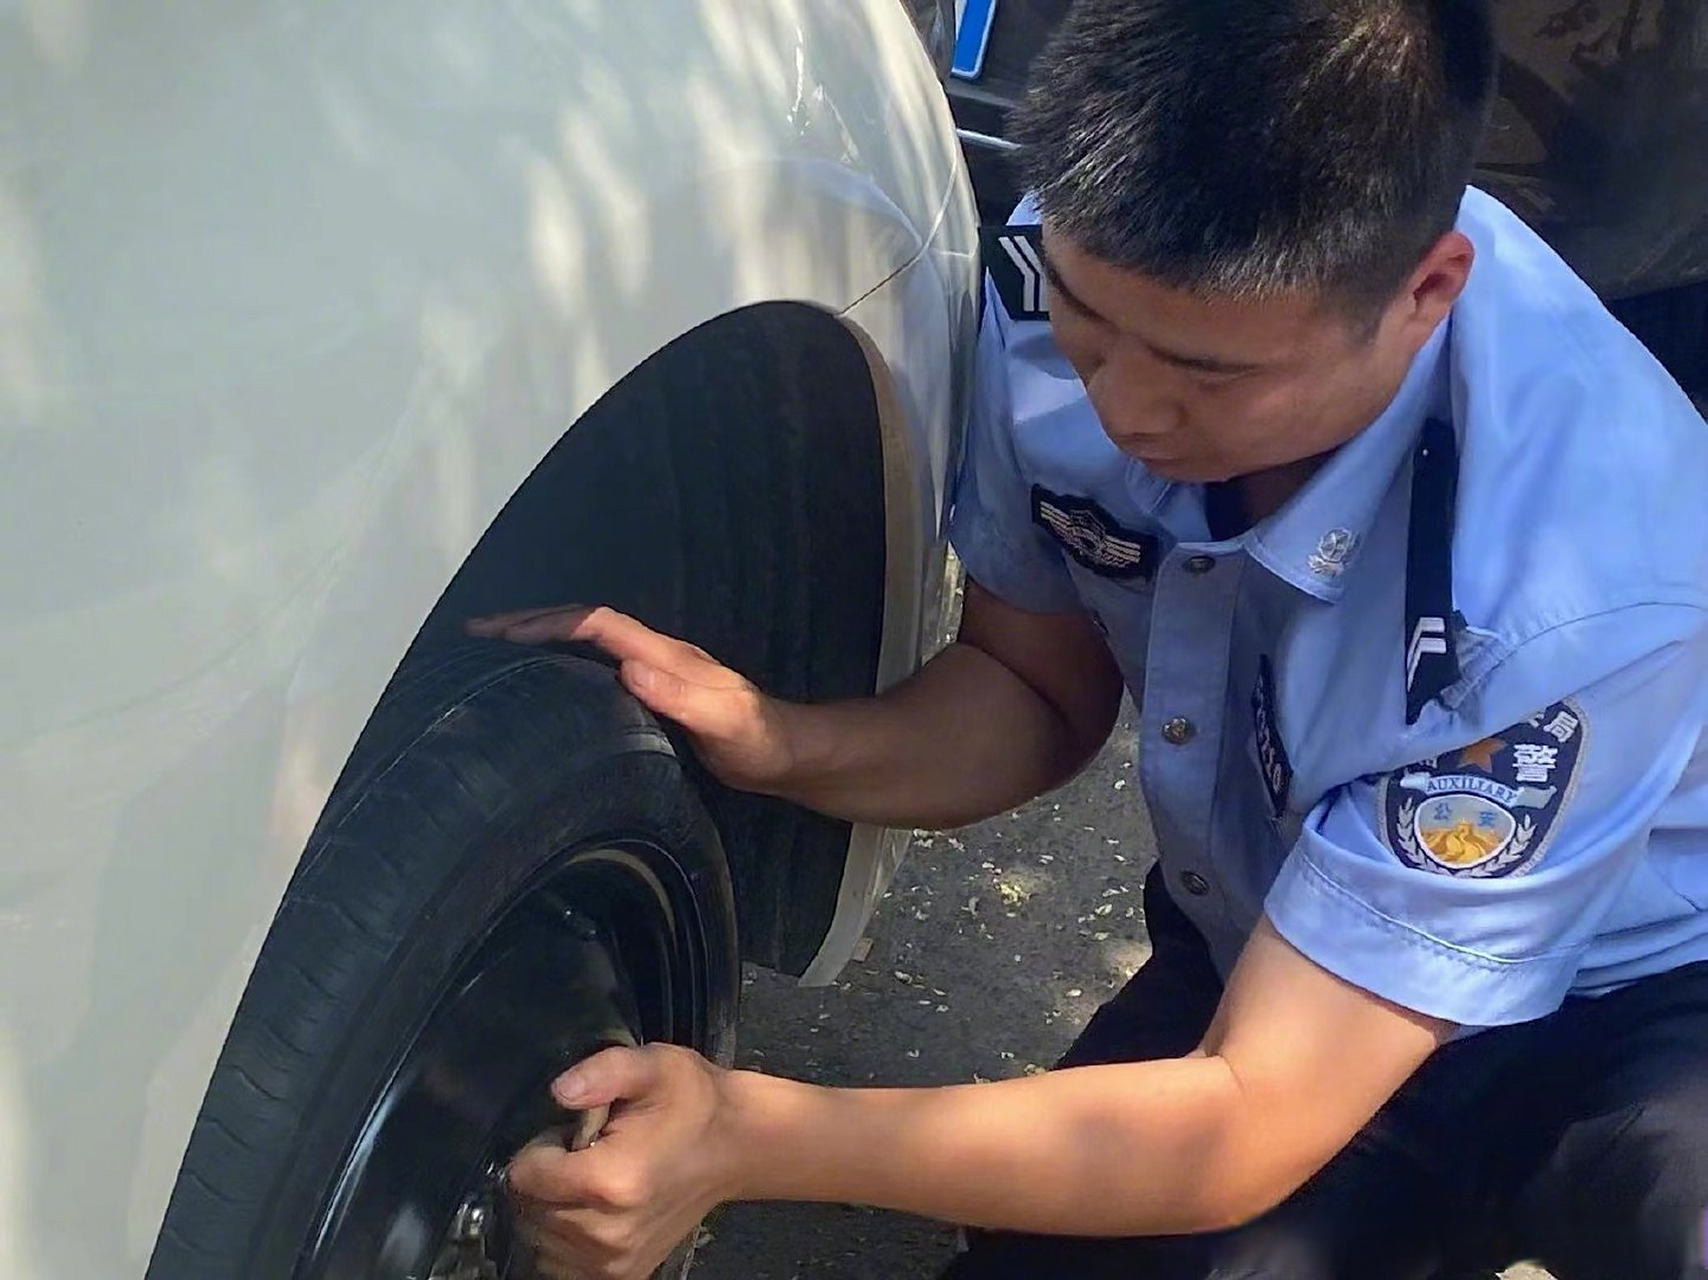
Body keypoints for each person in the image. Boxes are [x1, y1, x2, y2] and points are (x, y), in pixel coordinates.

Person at [468, 0, 1708, 1275]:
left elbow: (1244, 1115)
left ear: (1427, 291)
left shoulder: (1571, 584)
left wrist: (750, 1132)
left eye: (1207, 373)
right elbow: (1031, 688)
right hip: (1288, 934)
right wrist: (784, 742)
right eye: (1090, 326)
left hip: (1629, 1003)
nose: (1125, 411)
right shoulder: (1057, 279)